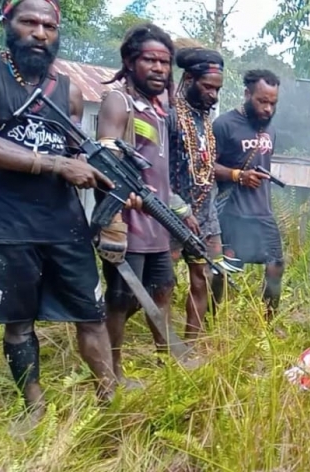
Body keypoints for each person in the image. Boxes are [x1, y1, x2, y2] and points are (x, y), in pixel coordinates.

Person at [0, 0, 132, 420]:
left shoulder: (67, 88)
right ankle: (33, 407)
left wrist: (111, 184)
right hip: (7, 221)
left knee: (90, 313)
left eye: (48, 25)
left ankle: (110, 398)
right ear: (8, 23)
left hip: (64, 223)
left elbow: (74, 151)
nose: (39, 32)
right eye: (29, 22)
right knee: (18, 321)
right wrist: (56, 164)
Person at [96, 23, 184, 385]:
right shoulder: (120, 101)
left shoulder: (160, 109)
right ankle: (112, 373)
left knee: (162, 291)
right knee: (119, 301)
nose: (160, 69)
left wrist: (182, 210)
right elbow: (105, 155)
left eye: (165, 62)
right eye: (150, 60)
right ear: (130, 61)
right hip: (127, 222)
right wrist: (120, 193)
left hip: (158, 222)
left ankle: (169, 368)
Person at [213, 69, 283, 320]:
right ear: (247, 94)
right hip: (232, 212)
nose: (268, 109)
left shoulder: (270, 129)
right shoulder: (224, 125)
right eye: (262, 101)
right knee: (222, 269)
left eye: (273, 103)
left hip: (263, 212)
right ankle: (212, 322)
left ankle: (268, 326)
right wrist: (237, 175)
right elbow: (206, 166)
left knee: (276, 266)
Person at [168, 43, 226, 340]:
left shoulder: (205, 119)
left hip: (205, 214)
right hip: (168, 214)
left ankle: (193, 344)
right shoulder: (169, 115)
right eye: (208, 88)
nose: (213, 96)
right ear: (188, 80)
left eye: (217, 90)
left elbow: (205, 166)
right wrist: (177, 207)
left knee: (205, 276)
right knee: (159, 284)